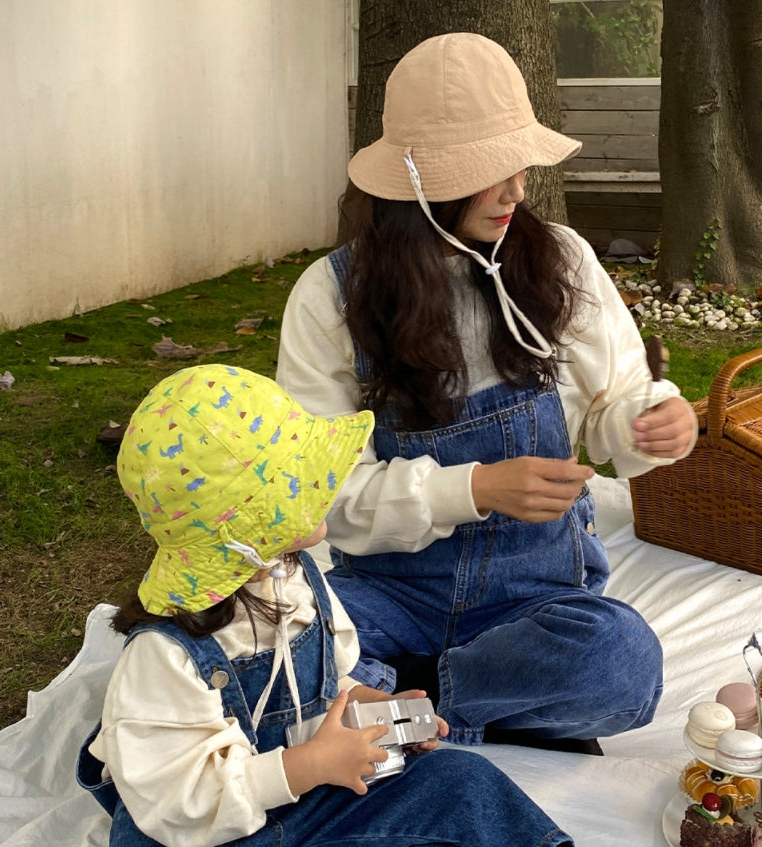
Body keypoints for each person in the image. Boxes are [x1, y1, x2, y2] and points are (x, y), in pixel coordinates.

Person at [275, 32, 698, 753]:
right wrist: (473, 489)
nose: (517, 190)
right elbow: (317, 493)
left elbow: (614, 402)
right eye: (488, 171)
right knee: (272, 637)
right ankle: (448, 698)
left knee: (622, 662)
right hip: (391, 592)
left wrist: (649, 424)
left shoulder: (560, 258)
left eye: (518, 166)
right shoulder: (329, 296)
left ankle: (409, 705)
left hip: (535, 598)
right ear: (419, 183)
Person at [76, 363, 574, 847]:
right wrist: (308, 766)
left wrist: (360, 707)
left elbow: (321, 686)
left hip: (305, 801)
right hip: (210, 832)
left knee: (460, 778)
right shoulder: (164, 657)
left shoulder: (294, 578)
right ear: (252, 525)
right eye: (304, 484)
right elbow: (174, 804)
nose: (329, 488)